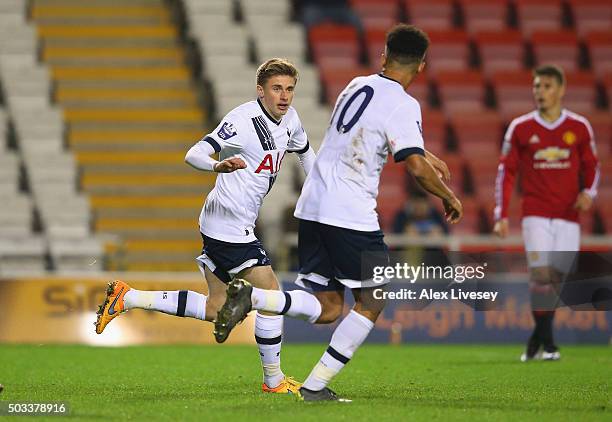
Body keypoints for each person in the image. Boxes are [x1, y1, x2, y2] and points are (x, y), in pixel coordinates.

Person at [214, 24, 463, 401]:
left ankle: (257, 300)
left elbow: (371, 133)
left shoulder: (356, 85)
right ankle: (314, 385)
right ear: (422, 67)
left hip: (313, 206)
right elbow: (412, 167)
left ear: (384, 56)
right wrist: (448, 196)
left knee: (329, 307)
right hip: (349, 212)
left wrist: (425, 153)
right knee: (374, 300)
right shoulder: (404, 103)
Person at [94, 58, 317, 394]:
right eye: (276, 88)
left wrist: (321, 191)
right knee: (271, 294)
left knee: (215, 308)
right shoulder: (242, 121)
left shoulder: (291, 120)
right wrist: (218, 165)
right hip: (227, 223)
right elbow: (193, 153)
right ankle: (273, 381)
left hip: (223, 221)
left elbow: (305, 152)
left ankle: (127, 298)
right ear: (261, 91)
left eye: (289, 89)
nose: (284, 96)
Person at [493, 65, 600, 362]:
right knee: (541, 275)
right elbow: (507, 171)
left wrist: (588, 193)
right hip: (535, 214)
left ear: (562, 89)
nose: (540, 92)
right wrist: (501, 214)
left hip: (569, 216)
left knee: (557, 279)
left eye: (547, 86)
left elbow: (593, 166)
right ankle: (549, 344)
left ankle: (537, 338)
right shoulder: (521, 128)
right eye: (537, 86)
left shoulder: (579, 127)